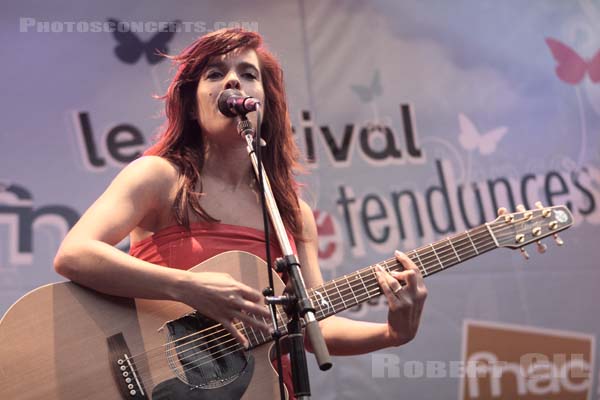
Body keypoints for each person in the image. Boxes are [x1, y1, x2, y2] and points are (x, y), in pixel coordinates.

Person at [54, 28, 428, 397]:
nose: (234, 80)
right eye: (215, 74)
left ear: (264, 100)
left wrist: (393, 334)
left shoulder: (291, 214)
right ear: (191, 102)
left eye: (248, 75)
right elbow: (75, 254)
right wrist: (188, 287)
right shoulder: (159, 177)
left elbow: (314, 326)